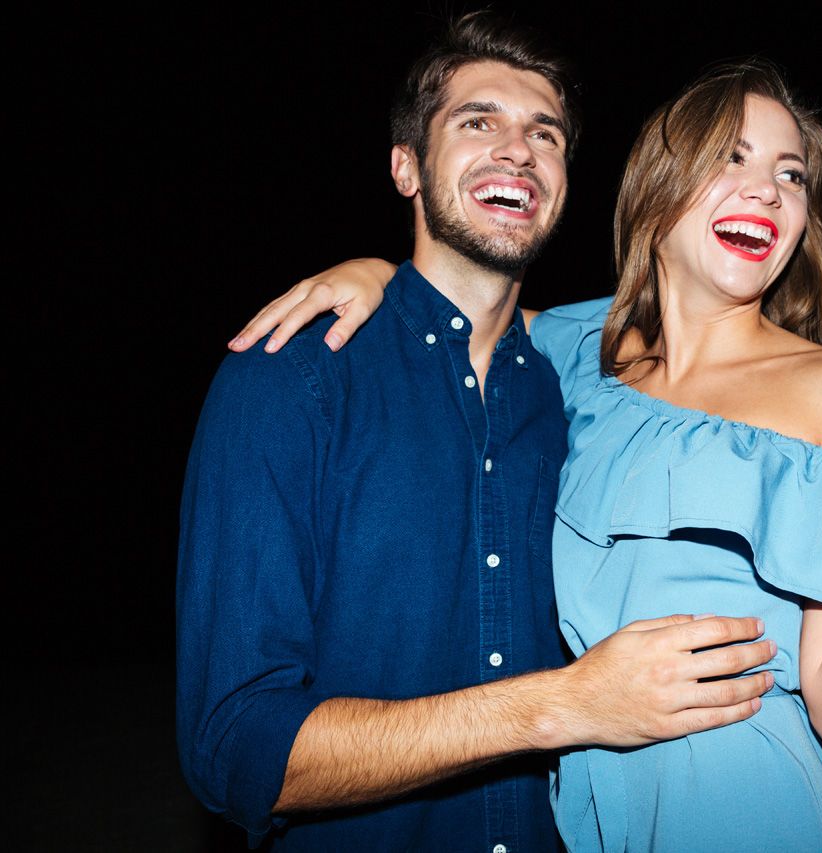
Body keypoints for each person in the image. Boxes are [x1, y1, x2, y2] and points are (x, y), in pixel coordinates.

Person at [235, 62, 822, 851]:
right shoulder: (580, 354)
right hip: (587, 815)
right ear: (658, 189)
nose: (767, 189)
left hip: (753, 810)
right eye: (731, 157)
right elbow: (464, 303)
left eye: (791, 174)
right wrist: (377, 272)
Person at [178, 14, 779, 851]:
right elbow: (236, 748)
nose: (518, 150)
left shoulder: (580, 390)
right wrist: (564, 704)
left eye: (546, 134)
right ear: (406, 167)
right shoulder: (291, 377)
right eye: (477, 122)